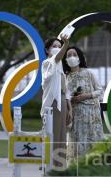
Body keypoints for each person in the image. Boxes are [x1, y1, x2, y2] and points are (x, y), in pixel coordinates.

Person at [63, 46, 105, 160]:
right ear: (65, 60)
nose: (72, 57)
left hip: (91, 115)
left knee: (92, 142)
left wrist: (87, 95)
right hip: (75, 116)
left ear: (79, 57)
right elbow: (64, 96)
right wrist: (71, 99)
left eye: (74, 55)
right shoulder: (65, 77)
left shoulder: (88, 73)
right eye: (69, 55)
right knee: (77, 142)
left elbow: (100, 91)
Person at [40, 34, 72, 169]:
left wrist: (70, 108)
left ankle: (60, 164)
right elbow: (58, 57)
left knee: (61, 134)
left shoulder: (60, 67)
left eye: (59, 46)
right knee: (51, 133)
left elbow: (66, 90)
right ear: (47, 50)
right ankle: (48, 163)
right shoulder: (48, 63)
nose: (58, 49)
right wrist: (66, 44)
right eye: (55, 46)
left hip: (62, 103)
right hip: (52, 103)